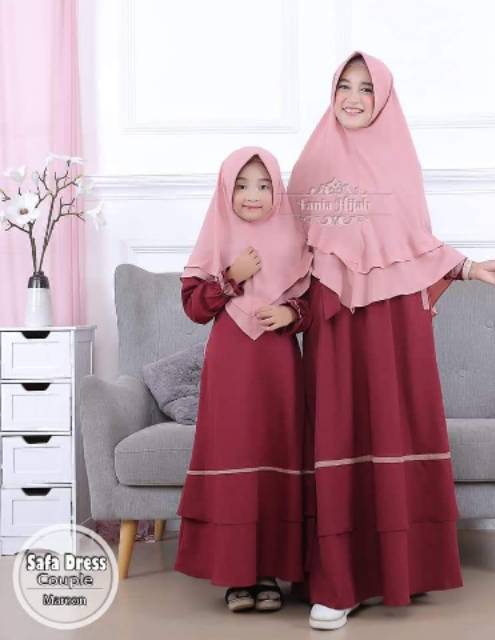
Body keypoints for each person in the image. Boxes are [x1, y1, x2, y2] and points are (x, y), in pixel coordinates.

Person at [287, 51, 495, 630]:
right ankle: (338, 582)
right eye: (344, 86)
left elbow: (417, 243)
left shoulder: (399, 161)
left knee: (391, 428)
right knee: (337, 432)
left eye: (366, 88)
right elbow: (286, 246)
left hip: (393, 320)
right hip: (333, 320)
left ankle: (394, 570)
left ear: (384, 98)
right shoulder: (313, 161)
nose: (353, 98)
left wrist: (473, 269)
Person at [174, 147, 313, 613]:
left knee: (275, 454)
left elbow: (314, 304)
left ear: (278, 190)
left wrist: (290, 314)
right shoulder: (216, 234)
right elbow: (194, 308)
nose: (253, 194)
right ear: (225, 189)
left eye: (264, 184)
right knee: (234, 455)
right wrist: (231, 277)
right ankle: (237, 577)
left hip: (279, 365)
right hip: (231, 363)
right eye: (242, 184)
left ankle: (269, 572)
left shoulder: (295, 238)